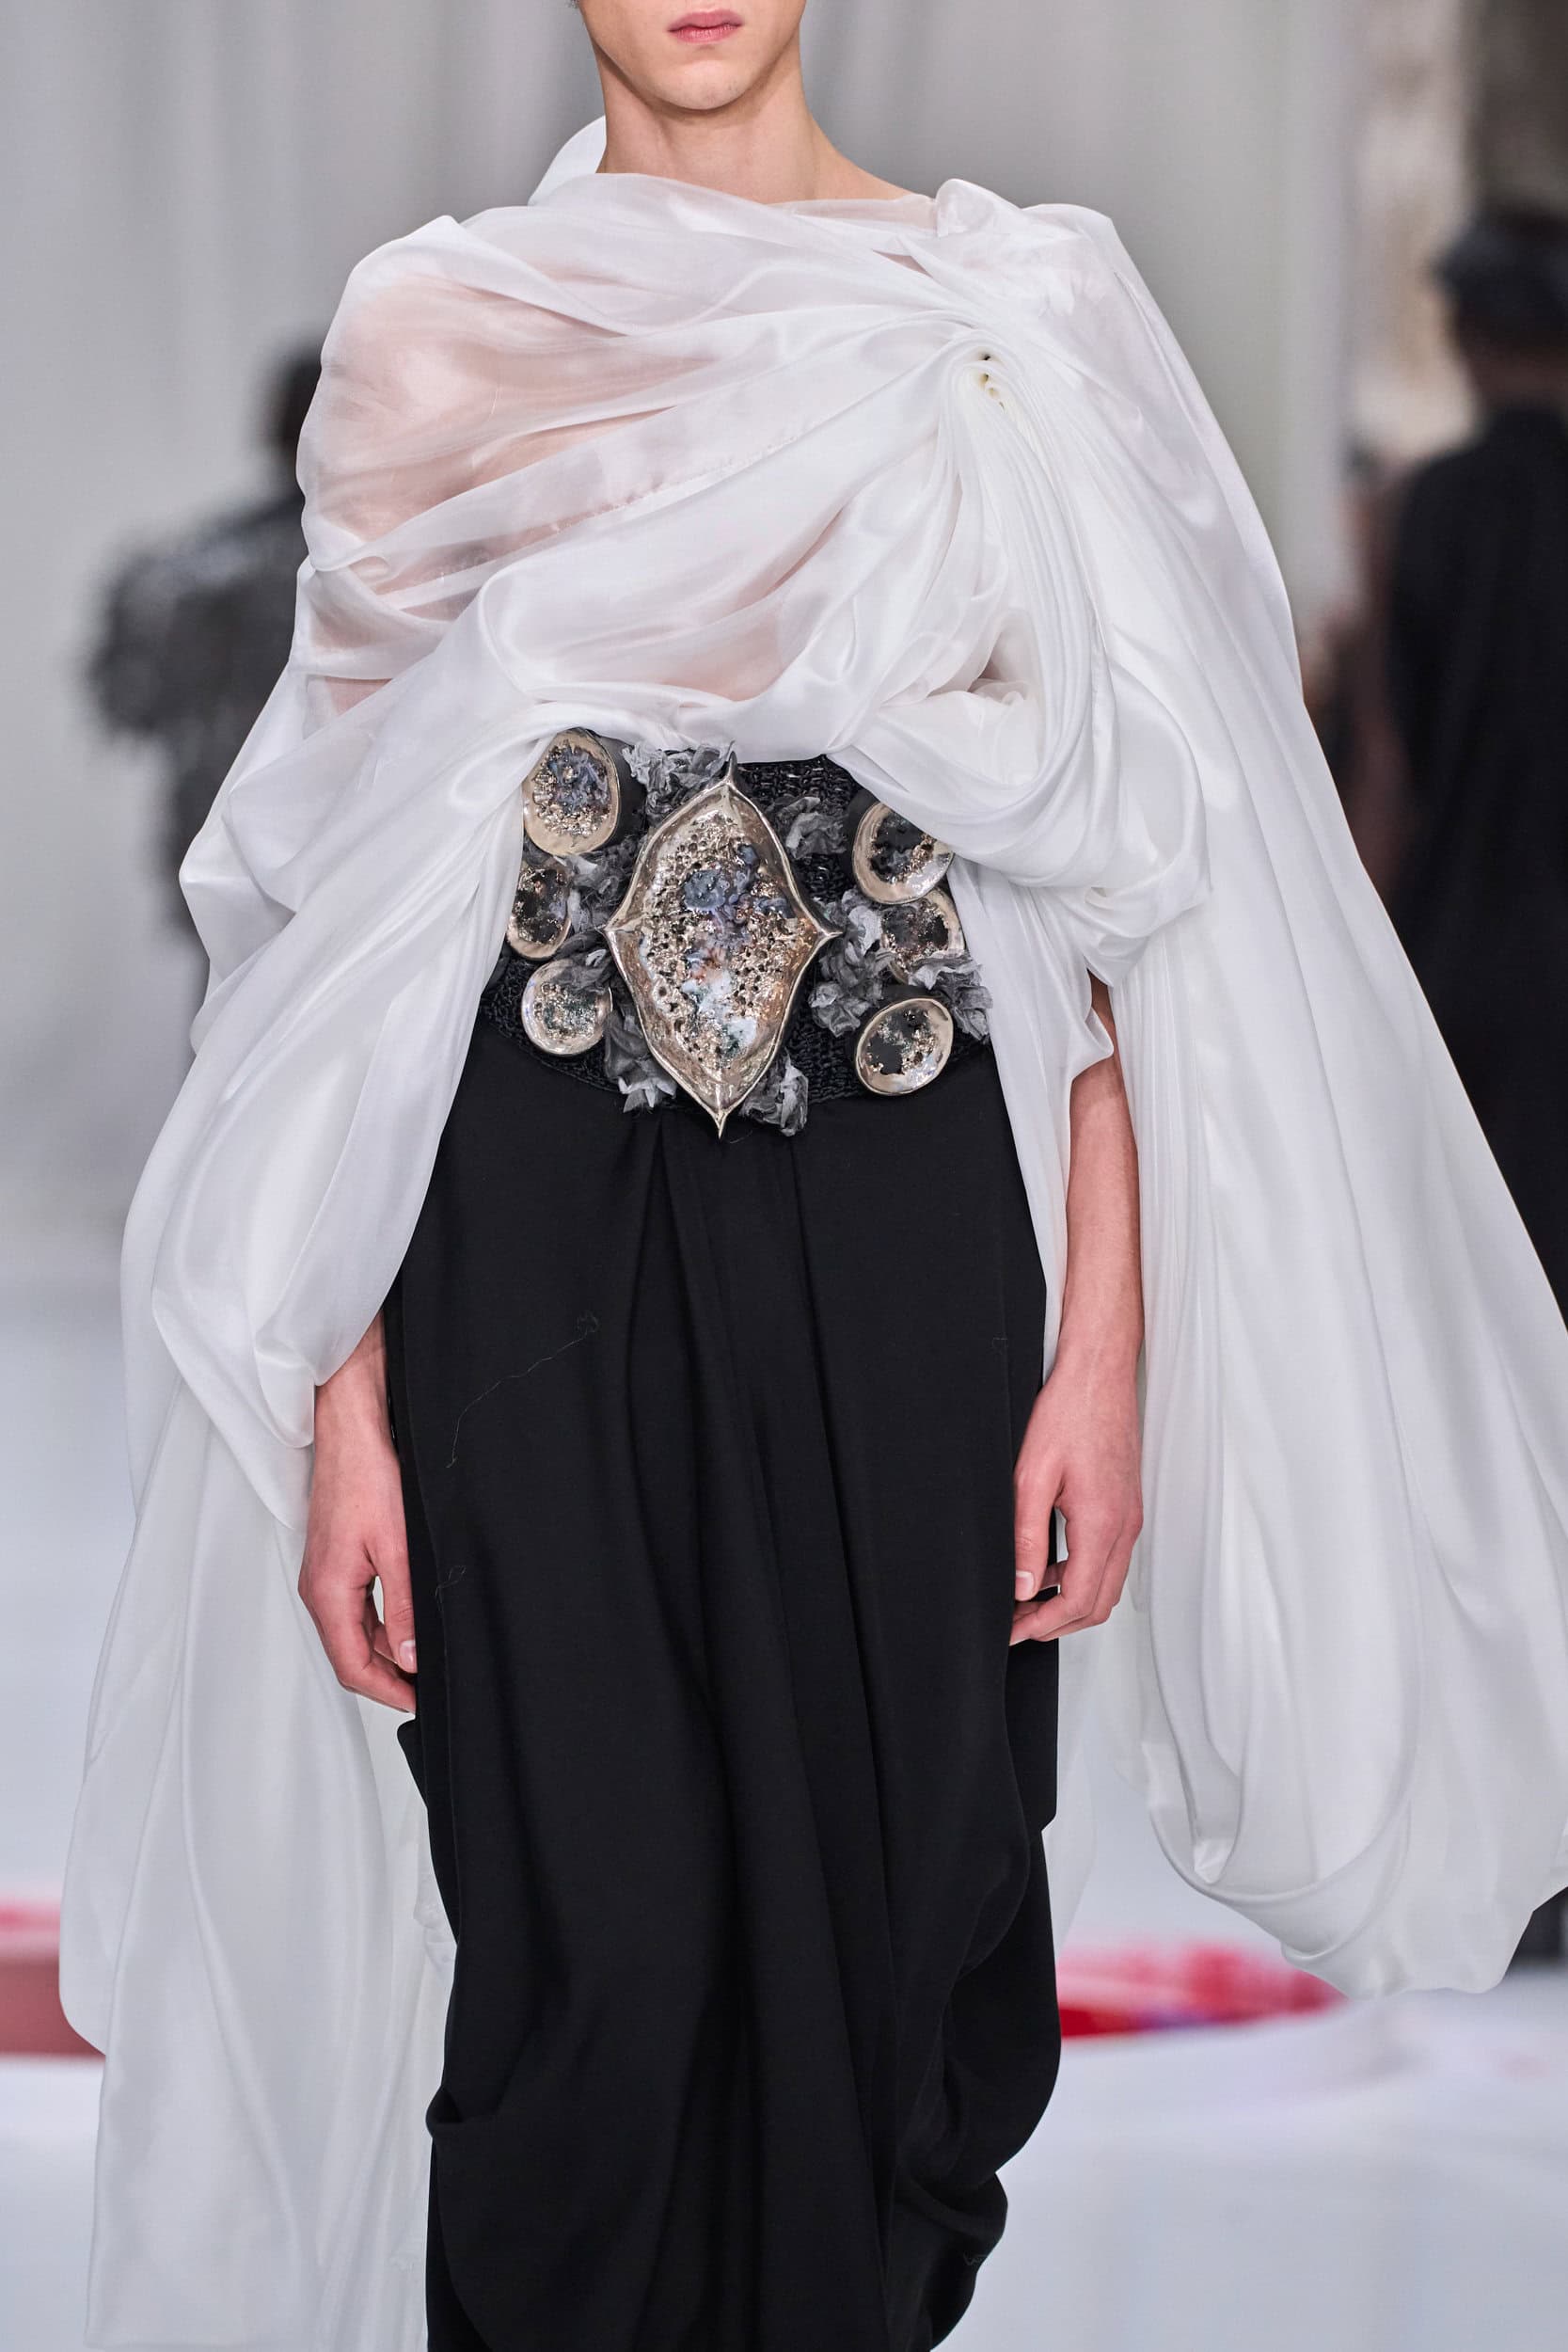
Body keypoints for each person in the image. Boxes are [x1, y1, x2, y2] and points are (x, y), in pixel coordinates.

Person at [60, 8, 1568, 2352]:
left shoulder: (1014, 319)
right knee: (580, 1962)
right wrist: (339, 1400)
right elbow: (327, 925)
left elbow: (1126, 904)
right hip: (517, 1214)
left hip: (914, 1216)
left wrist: (1103, 1356)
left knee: (905, 1953)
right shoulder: (444, 324)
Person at [1383, 209, 1568, 1966]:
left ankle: (1521, 1837)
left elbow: (1401, 766)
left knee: (1497, 1397)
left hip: (1473, 987)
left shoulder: (1429, 513)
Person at [87, 349, 321, 943]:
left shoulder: (194, 564)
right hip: (295, 845)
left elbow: (130, 704)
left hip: (224, 845)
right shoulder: (381, 562)